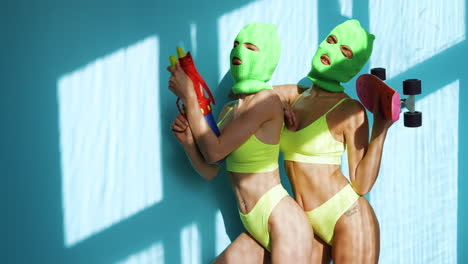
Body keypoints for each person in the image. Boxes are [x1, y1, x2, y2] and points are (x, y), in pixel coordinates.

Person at [168, 22, 313, 263]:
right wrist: (188, 144)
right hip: (255, 226)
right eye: (236, 45)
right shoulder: (228, 110)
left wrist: (190, 97)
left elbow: (214, 152)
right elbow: (210, 169)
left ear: (266, 58)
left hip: (285, 225)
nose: (239, 51)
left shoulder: (267, 100)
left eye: (250, 47)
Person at [273, 19, 392, 263]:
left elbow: (362, 184)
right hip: (306, 222)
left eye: (345, 52)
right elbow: (249, 97)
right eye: (332, 41)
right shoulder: (296, 95)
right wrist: (279, 106)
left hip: (348, 217)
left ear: (352, 67)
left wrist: (381, 127)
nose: (333, 51)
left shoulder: (350, 110)